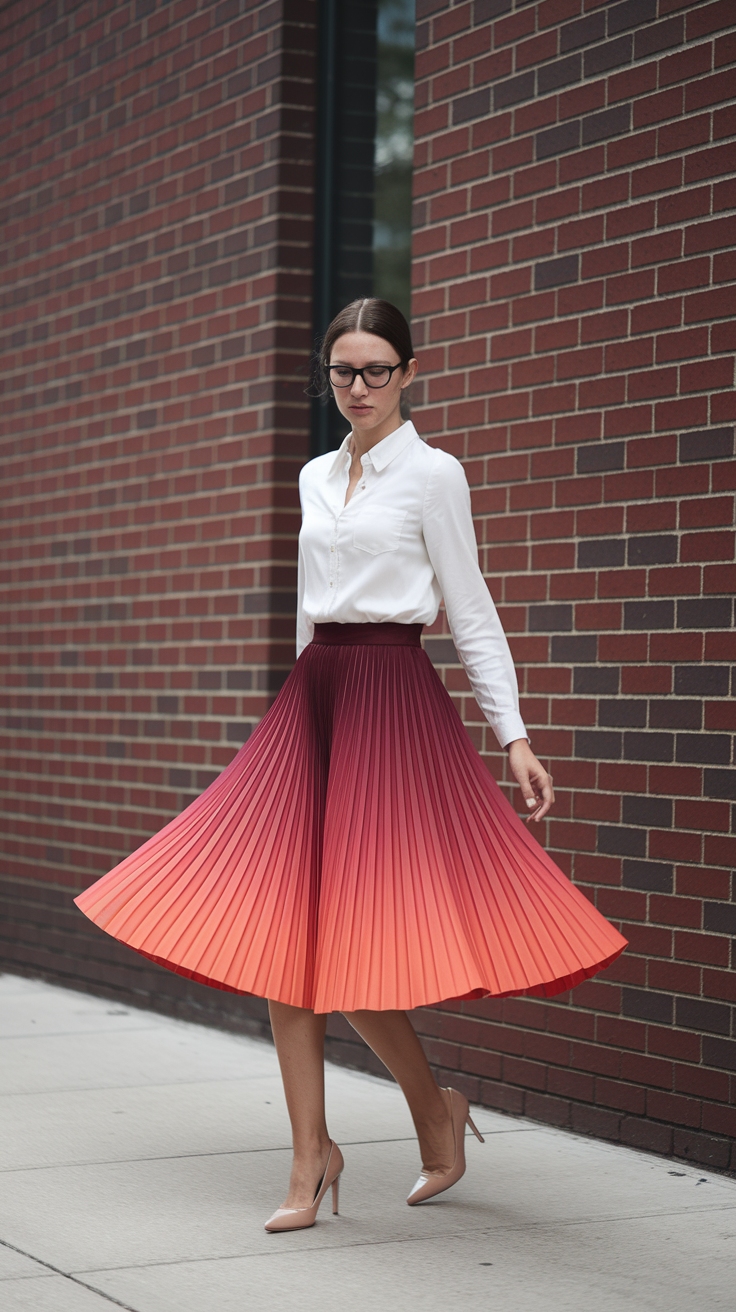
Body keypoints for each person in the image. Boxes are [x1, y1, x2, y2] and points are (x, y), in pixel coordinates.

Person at [75, 298, 627, 1233]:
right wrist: (293, 707)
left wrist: (515, 733)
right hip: (318, 699)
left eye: (376, 370)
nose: (359, 388)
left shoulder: (434, 476)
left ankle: (430, 1109)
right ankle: (311, 1158)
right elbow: (309, 603)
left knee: (356, 942)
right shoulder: (313, 476)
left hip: (393, 701)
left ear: (408, 372)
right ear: (326, 377)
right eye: (343, 372)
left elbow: (472, 607)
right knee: (290, 935)